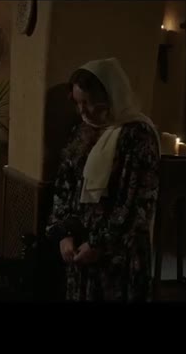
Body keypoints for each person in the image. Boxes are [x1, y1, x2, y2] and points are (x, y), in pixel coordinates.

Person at [45, 58, 160, 302]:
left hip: (118, 254)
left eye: (88, 103)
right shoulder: (83, 131)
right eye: (78, 103)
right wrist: (64, 234)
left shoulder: (137, 135)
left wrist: (99, 244)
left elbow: (138, 201)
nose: (82, 111)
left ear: (110, 96)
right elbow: (64, 185)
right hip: (80, 248)